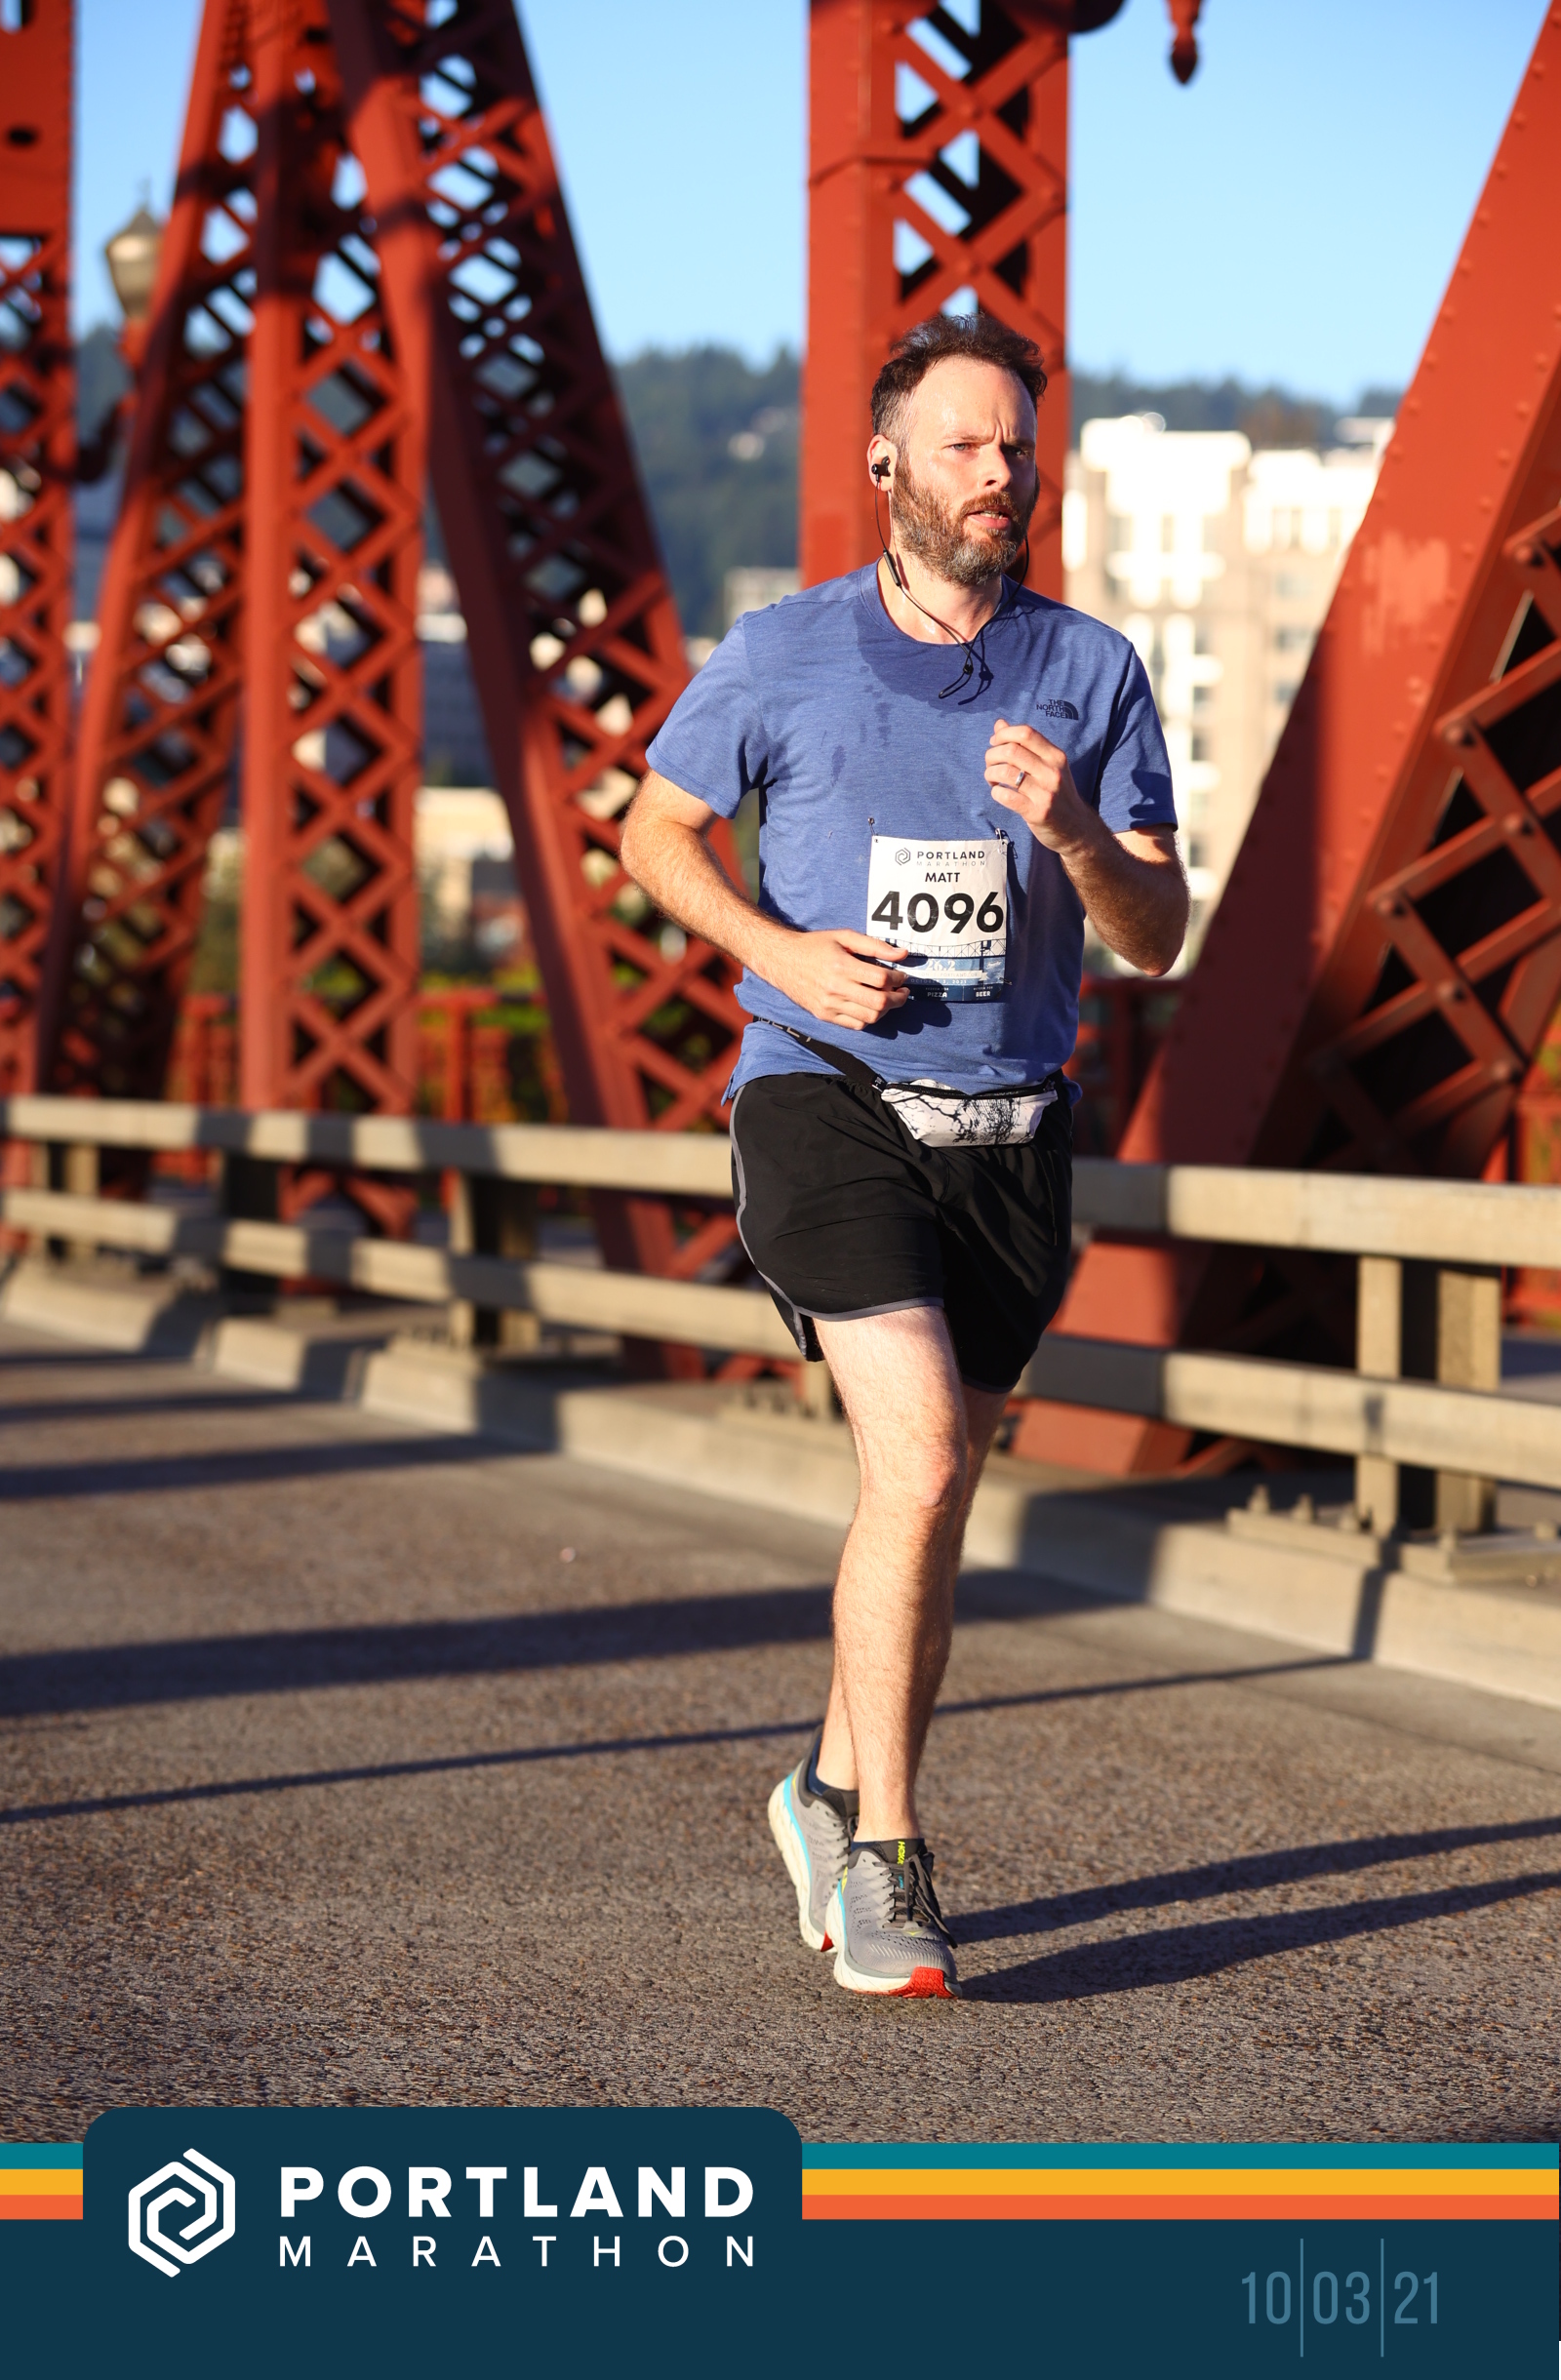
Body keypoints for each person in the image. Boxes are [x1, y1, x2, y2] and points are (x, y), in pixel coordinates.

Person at [620, 312, 1187, 1999]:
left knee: (925, 1500)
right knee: (926, 1457)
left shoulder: (1091, 671)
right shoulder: (781, 653)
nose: (1001, 471)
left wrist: (1072, 829)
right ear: (886, 464)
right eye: (965, 443)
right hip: (826, 1094)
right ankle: (888, 1858)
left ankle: (820, 1783)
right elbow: (654, 834)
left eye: (1018, 445)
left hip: (1010, 1126)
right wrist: (777, 953)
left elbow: (1154, 933)